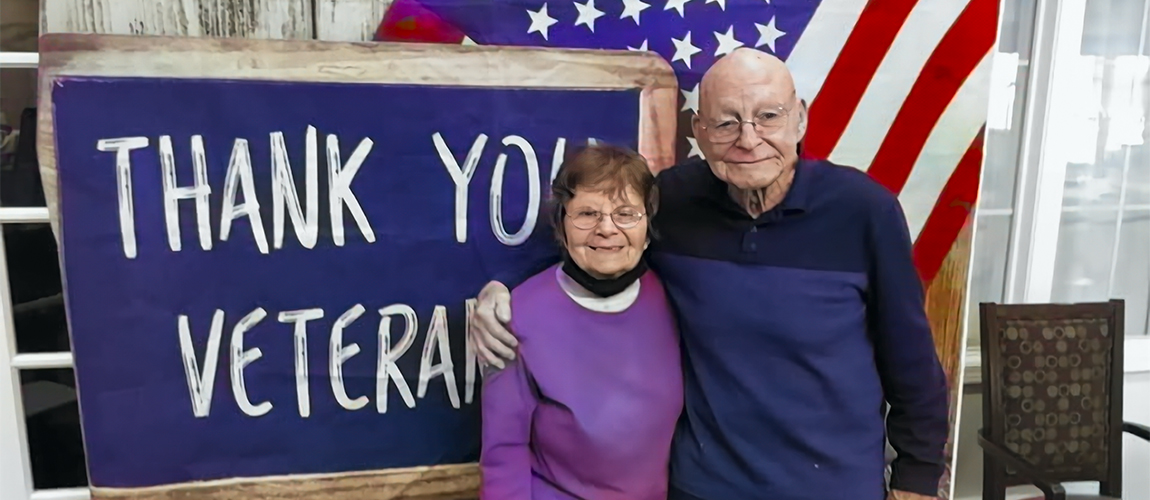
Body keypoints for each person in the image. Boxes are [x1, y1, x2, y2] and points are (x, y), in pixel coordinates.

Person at [470, 47, 950, 500]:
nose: (747, 139)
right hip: (704, 485)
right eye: (726, 123)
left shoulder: (864, 212)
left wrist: (918, 476)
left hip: (833, 485)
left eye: (768, 117)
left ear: (799, 118)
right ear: (697, 131)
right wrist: (498, 291)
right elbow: (598, 247)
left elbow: (910, 358)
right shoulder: (674, 202)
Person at [478, 144, 684, 500]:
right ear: (562, 225)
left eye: (626, 214)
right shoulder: (515, 317)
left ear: (648, 227)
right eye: (587, 214)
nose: (607, 229)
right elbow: (503, 452)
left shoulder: (675, 298)